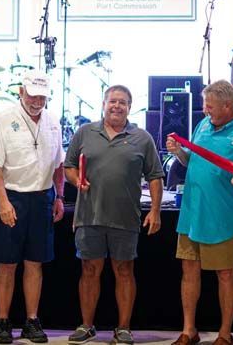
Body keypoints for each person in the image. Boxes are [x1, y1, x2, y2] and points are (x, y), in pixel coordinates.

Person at [165, 80, 233, 345]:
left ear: (228, 105)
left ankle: (224, 334)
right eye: (204, 105)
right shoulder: (202, 126)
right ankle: (189, 330)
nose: (205, 111)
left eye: (210, 107)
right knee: (189, 270)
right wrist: (179, 154)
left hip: (222, 217)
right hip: (191, 213)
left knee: (225, 273)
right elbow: (192, 160)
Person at [64, 85, 164, 345]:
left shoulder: (142, 138)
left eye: (123, 103)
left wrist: (155, 210)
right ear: (103, 104)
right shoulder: (85, 132)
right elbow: (69, 166)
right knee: (89, 270)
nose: (117, 106)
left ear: (130, 108)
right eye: (112, 102)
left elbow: (155, 176)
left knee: (124, 271)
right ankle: (87, 326)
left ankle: (123, 328)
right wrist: (77, 181)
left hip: (126, 218)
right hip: (89, 216)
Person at [0, 70, 65, 345]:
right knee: (7, 264)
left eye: (42, 96)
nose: (37, 101)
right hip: (12, 197)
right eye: (32, 95)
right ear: (21, 92)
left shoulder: (53, 121)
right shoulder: (1, 121)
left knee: (34, 263)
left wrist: (60, 196)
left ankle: (31, 320)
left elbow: (59, 164)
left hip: (42, 199)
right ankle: (3, 321)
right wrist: (2, 202)